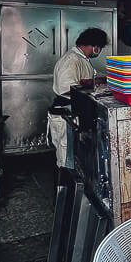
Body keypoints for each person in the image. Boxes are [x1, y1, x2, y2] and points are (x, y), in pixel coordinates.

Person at [47, 27, 108, 172]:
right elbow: (65, 87)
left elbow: (88, 79)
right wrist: (87, 88)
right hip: (65, 113)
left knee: (74, 157)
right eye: (99, 47)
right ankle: (64, 192)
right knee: (65, 158)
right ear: (95, 46)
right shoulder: (71, 60)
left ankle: (72, 189)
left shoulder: (81, 59)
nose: (98, 51)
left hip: (74, 112)